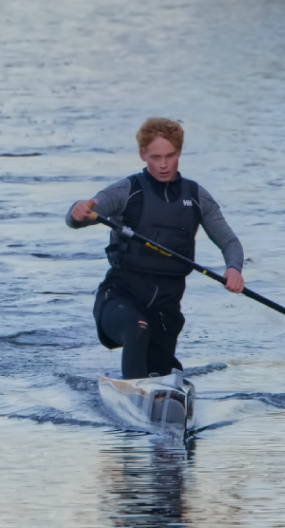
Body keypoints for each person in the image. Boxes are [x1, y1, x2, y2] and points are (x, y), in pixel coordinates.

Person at [66, 118, 245, 379]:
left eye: (170, 156)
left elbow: (230, 242)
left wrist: (234, 268)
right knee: (138, 327)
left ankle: (158, 388)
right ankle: (134, 395)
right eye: (155, 157)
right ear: (142, 155)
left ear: (179, 153)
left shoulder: (197, 197)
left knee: (162, 369)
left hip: (166, 309)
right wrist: (79, 210)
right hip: (119, 299)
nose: (163, 165)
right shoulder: (127, 191)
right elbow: (80, 217)